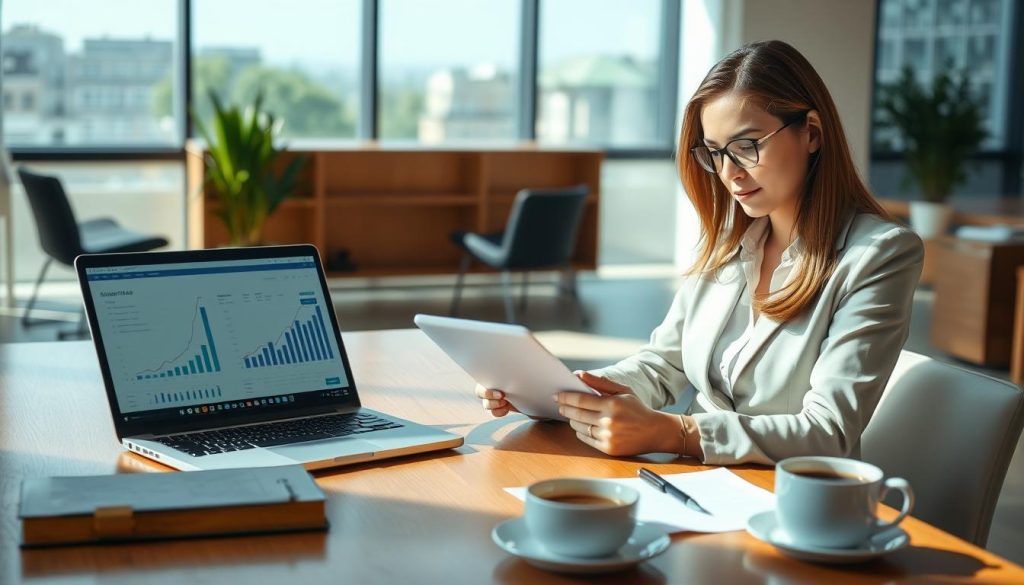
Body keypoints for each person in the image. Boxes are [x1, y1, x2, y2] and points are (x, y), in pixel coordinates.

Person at [476, 40, 923, 466]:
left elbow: (828, 431)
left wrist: (681, 435)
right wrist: (566, 395)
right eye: (715, 153)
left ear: (811, 133)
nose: (729, 174)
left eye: (747, 146)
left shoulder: (879, 256)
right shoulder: (732, 243)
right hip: (698, 481)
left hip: (791, 499)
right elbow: (665, 362)